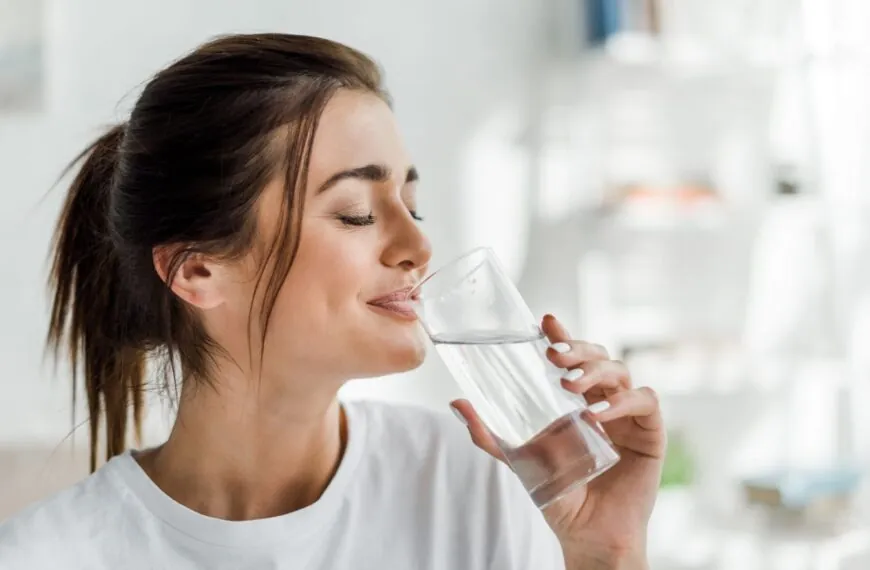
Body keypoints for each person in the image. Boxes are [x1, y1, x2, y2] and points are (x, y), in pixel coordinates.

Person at [0, 33, 664, 569]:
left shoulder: (479, 484)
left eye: (412, 204)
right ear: (198, 270)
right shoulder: (49, 555)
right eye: (353, 212)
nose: (417, 245)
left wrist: (606, 553)